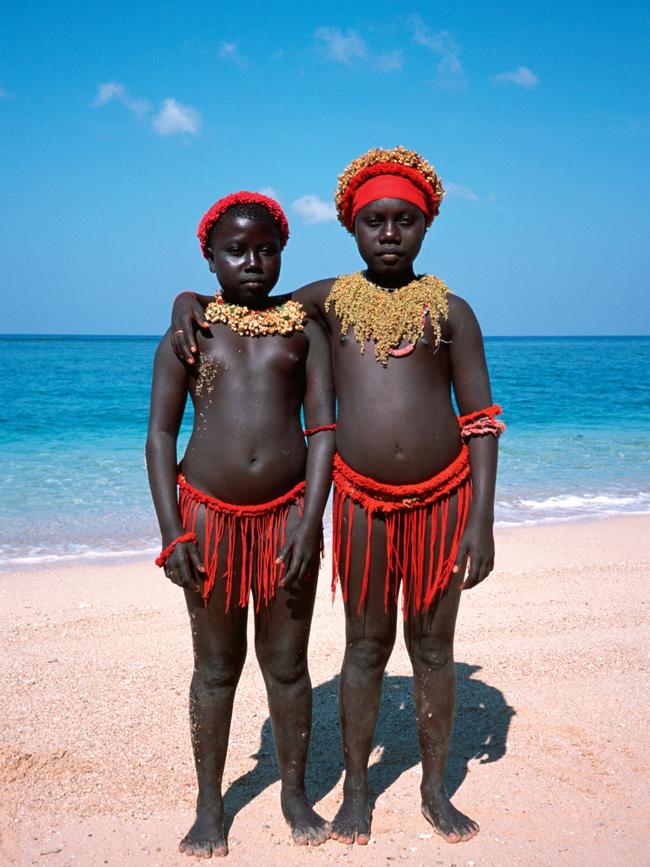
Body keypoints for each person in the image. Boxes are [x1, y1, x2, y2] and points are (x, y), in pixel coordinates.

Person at [170, 147, 504, 846]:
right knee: (364, 645)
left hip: (445, 504)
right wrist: (184, 303)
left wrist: (482, 522)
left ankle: (435, 790)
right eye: (375, 219)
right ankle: (356, 792)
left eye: (404, 220)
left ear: (425, 227)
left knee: (435, 649)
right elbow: (246, 302)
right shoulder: (327, 301)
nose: (389, 232)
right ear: (352, 227)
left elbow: (480, 421)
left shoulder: (453, 312)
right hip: (358, 504)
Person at [146, 191, 335, 857]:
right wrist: (173, 533)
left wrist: (311, 521)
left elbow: (322, 432)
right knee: (216, 667)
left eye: (266, 249)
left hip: (287, 519)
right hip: (209, 519)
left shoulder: (301, 329)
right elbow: (160, 435)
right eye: (235, 249)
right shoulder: (187, 333)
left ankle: (293, 792)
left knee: (286, 665)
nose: (252, 260)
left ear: (283, 254)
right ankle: (209, 802)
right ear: (210, 257)